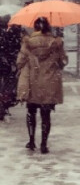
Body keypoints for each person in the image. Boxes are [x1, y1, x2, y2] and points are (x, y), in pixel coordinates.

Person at [15, 15, 68, 153]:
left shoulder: (28, 43)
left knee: (31, 112)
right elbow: (63, 62)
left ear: (35, 27)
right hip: (50, 83)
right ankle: (44, 144)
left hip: (33, 83)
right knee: (46, 115)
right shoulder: (56, 43)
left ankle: (31, 141)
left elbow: (20, 62)